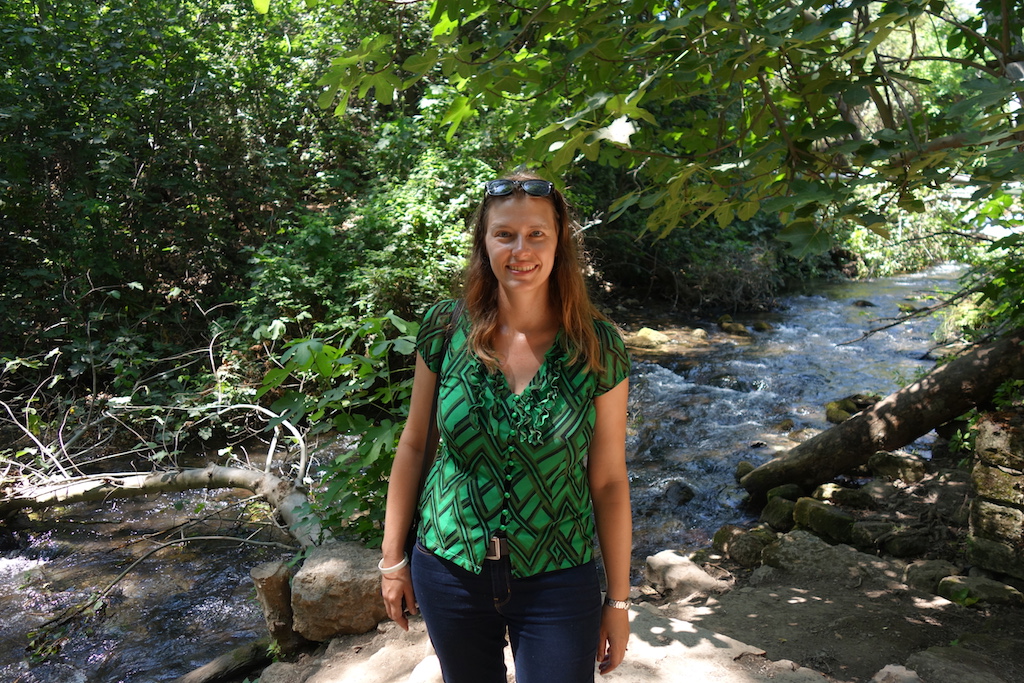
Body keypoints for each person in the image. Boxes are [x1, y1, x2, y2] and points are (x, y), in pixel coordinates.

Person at [378, 172, 632, 682]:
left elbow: (607, 480)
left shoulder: (597, 346)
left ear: (559, 243)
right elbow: (414, 445)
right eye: (505, 234)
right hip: (449, 568)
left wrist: (619, 601)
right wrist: (392, 561)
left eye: (537, 233)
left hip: (559, 573)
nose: (521, 249)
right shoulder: (445, 328)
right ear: (484, 242)